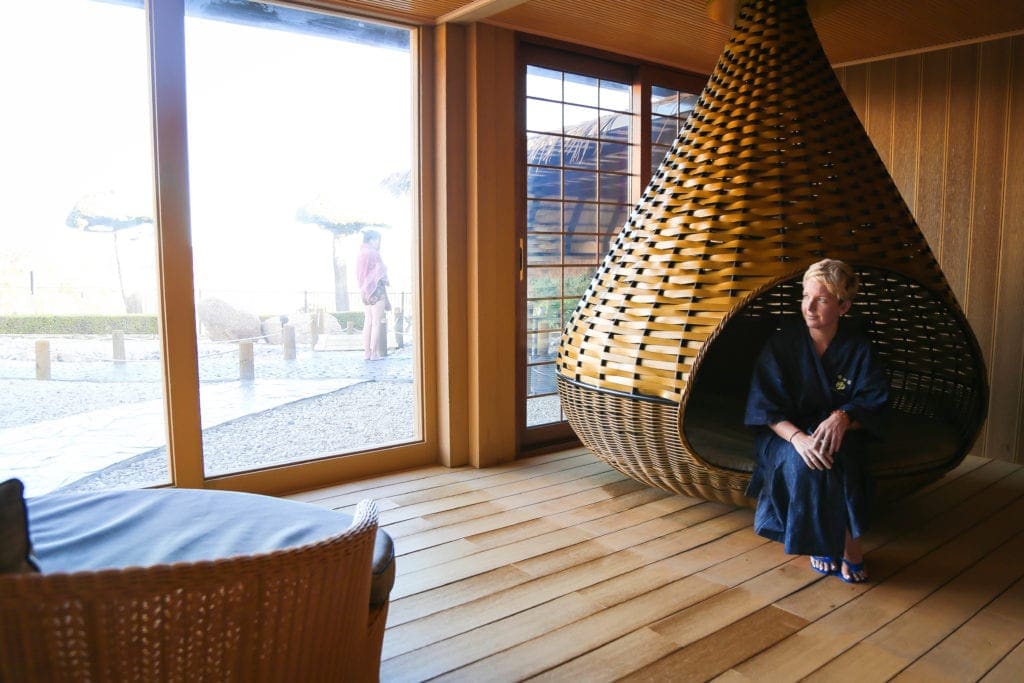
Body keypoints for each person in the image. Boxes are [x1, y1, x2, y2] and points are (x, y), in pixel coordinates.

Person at [744, 258, 888, 583]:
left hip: (843, 431)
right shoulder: (782, 345)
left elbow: (873, 398)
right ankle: (820, 541)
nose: (809, 307)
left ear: (843, 306)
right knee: (805, 461)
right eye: (805, 297)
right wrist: (799, 439)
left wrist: (843, 416)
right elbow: (765, 407)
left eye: (821, 299)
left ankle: (850, 544)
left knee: (844, 455)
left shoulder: (858, 348)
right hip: (784, 433)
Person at [356, 229, 390, 360]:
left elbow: (359, 275)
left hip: (364, 291)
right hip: (376, 289)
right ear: (372, 240)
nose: (378, 243)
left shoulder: (360, 253)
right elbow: (381, 273)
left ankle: (366, 353)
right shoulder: (374, 253)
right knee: (376, 322)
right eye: (377, 240)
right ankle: (374, 353)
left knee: (368, 322)